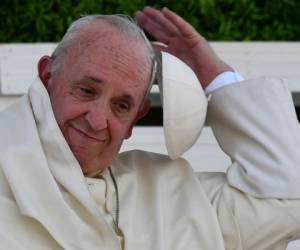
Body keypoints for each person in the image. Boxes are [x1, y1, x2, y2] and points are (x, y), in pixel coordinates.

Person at [0, 6, 299, 250]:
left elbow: (289, 197)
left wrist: (213, 76)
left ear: (136, 119)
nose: (97, 120)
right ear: (47, 75)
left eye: (121, 106)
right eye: (87, 91)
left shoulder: (170, 191)